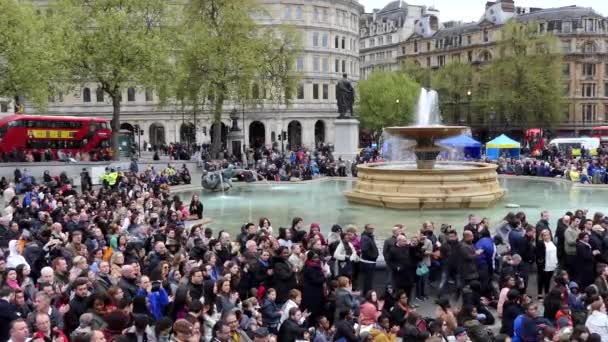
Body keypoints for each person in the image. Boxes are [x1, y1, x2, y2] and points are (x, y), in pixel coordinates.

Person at [359, 224, 378, 296]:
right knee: (368, 280)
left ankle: (368, 294)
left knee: (369, 280)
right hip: (368, 262)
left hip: (370, 261)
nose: (372, 230)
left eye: (373, 228)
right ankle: (367, 294)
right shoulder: (365, 238)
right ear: (366, 229)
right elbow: (364, 249)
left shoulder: (369, 236)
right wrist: (373, 256)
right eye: (370, 228)